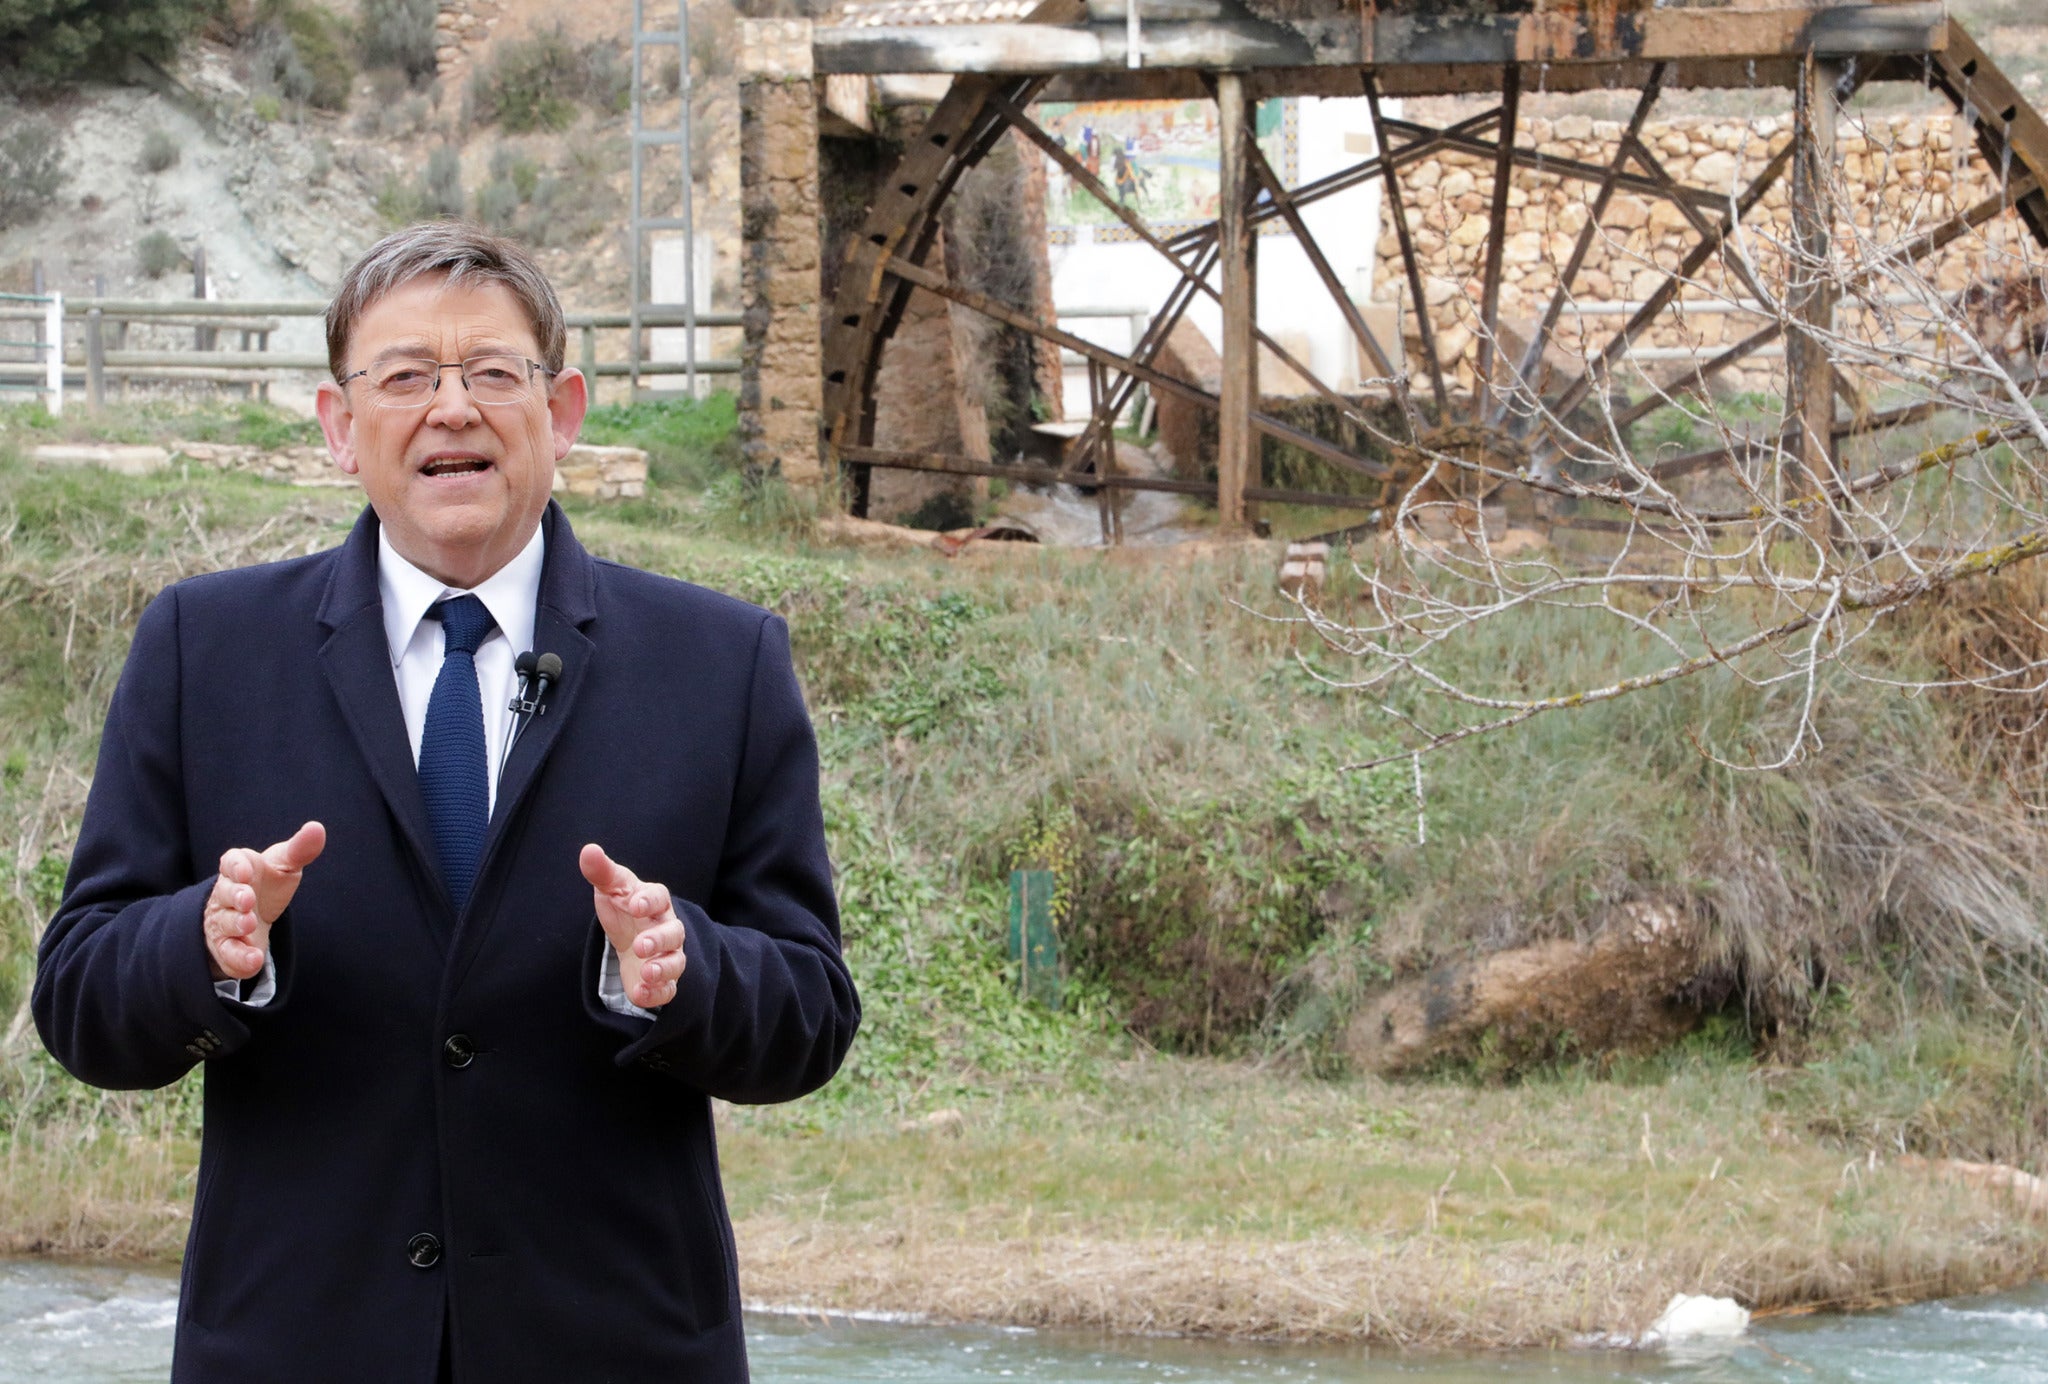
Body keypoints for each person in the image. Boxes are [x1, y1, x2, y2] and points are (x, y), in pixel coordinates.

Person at [33, 222, 859, 1382]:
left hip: (617, 1347)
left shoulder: (718, 662)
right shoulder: (202, 649)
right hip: (294, 1344)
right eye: (407, 376)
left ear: (561, 411)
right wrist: (206, 945)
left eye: (491, 373)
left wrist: (680, 969)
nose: (452, 409)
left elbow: (811, 1014)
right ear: (339, 426)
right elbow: (77, 1000)